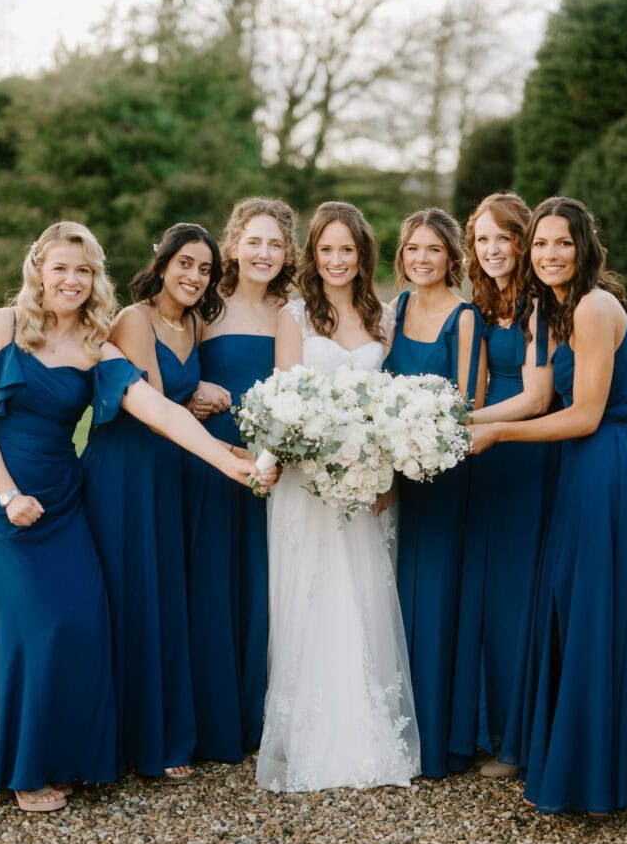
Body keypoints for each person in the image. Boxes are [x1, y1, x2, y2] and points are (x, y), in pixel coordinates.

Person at [0, 222, 260, 813]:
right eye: (61, 268)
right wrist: (5, 494)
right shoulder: (6, 325)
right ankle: (22, 772)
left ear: (95, 278)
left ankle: (62, 754)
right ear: (39, 270)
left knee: (85, 621)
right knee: (41, 626)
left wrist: (227, 461)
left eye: (84, 270)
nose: (72, 280)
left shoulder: (99, 343)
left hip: (62, 497)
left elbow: (155, 409)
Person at [471, 197, 627, 815]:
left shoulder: (597, 307)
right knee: (563, 603)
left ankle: (591, 772)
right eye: (541, 244)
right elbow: (540, 394)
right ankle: (562, 751)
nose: (549, 255)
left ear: (584, 248)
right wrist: (460, 420)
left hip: (604, 464)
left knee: (590, 609)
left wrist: (494, 435)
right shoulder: (548, 308)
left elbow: (586, 414)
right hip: (577, 466)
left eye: (562, 243)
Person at [81, 223, 265, 782]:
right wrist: (213, 421)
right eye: (184, 263)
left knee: (167, 596)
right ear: (162, 265)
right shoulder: (135, 320)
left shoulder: (193, 323)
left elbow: (187, 406)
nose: (194, 276)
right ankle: (134, 739)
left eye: (205, 268)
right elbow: (157, 406)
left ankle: (167, 730)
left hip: (173, 473)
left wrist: (238, 444)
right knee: (134, 595)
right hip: (126, 472)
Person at [256, 201, 421, 792]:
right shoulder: (295, 316)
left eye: (346, 249)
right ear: (313, 255)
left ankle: (368, 735)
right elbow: (284, 403)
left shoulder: (384, 318)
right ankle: (308, 740)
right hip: (307, 482)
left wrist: (382, 473)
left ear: (362, 254)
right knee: (312, 592)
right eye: (325, 249)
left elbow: (389, 408)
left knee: (363, 594)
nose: (335, 260)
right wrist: (313, 460)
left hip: (368, 479)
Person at [185, 198, 298, 761]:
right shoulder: (206, 306)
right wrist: (192, 393)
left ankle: (258, 716)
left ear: (288, 253)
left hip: (271, 466)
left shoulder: (294, 310)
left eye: (275, 243)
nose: (263, 252)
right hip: (210, 461)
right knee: (211, 583)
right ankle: (210, 720)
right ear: (233, 245)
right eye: (254, 241)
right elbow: (171, 373)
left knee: (263, 586)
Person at [449, 194, 556, 777]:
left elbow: (538, 397)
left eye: (501, 238)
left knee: (518, 594)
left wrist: (462, 424)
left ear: (522, 240)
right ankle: (487, 727)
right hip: (490, 454)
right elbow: (478, 385)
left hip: (526, 451)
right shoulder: (485, 306)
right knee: (487, 594)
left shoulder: (540, 303)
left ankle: (518, 739)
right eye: (481, 240)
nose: (490, 250)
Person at [383, 208, 486, 779]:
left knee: (437, 595)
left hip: (444, 475)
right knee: (396, 594)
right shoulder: (396, 309)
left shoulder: (463, 317)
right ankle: (400, 731)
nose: (422, 259)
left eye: (433, 250)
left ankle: (440, 741)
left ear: (451, 257)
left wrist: (426, 449)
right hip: (397, 473)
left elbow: (465, 408)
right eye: (413, 249)